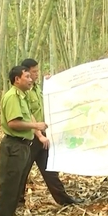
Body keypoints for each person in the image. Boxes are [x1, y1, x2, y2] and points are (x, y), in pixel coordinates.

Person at [17, 58, 83, 206]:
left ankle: (64, 200)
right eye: (33, 72)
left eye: (36, 71)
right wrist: (39, 135)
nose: (35, 74)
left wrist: (52, 82)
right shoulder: (23, 92)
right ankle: (17, 202)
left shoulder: (38, 88)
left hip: (43, 136)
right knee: (23, 171)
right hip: (31, 137)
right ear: (25, 72)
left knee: (50, 169)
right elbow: (28, 114)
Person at [0, 66, 48, 216]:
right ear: (17, 79)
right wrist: (35, 126)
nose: (31, 80)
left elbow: (28, 115)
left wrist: (37, 132)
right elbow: (13, 123)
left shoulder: (23, 97)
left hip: (24, 145)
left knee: (16, 186)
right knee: (9, 186)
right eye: (27, 77)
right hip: (13, 146)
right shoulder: (12, 97)